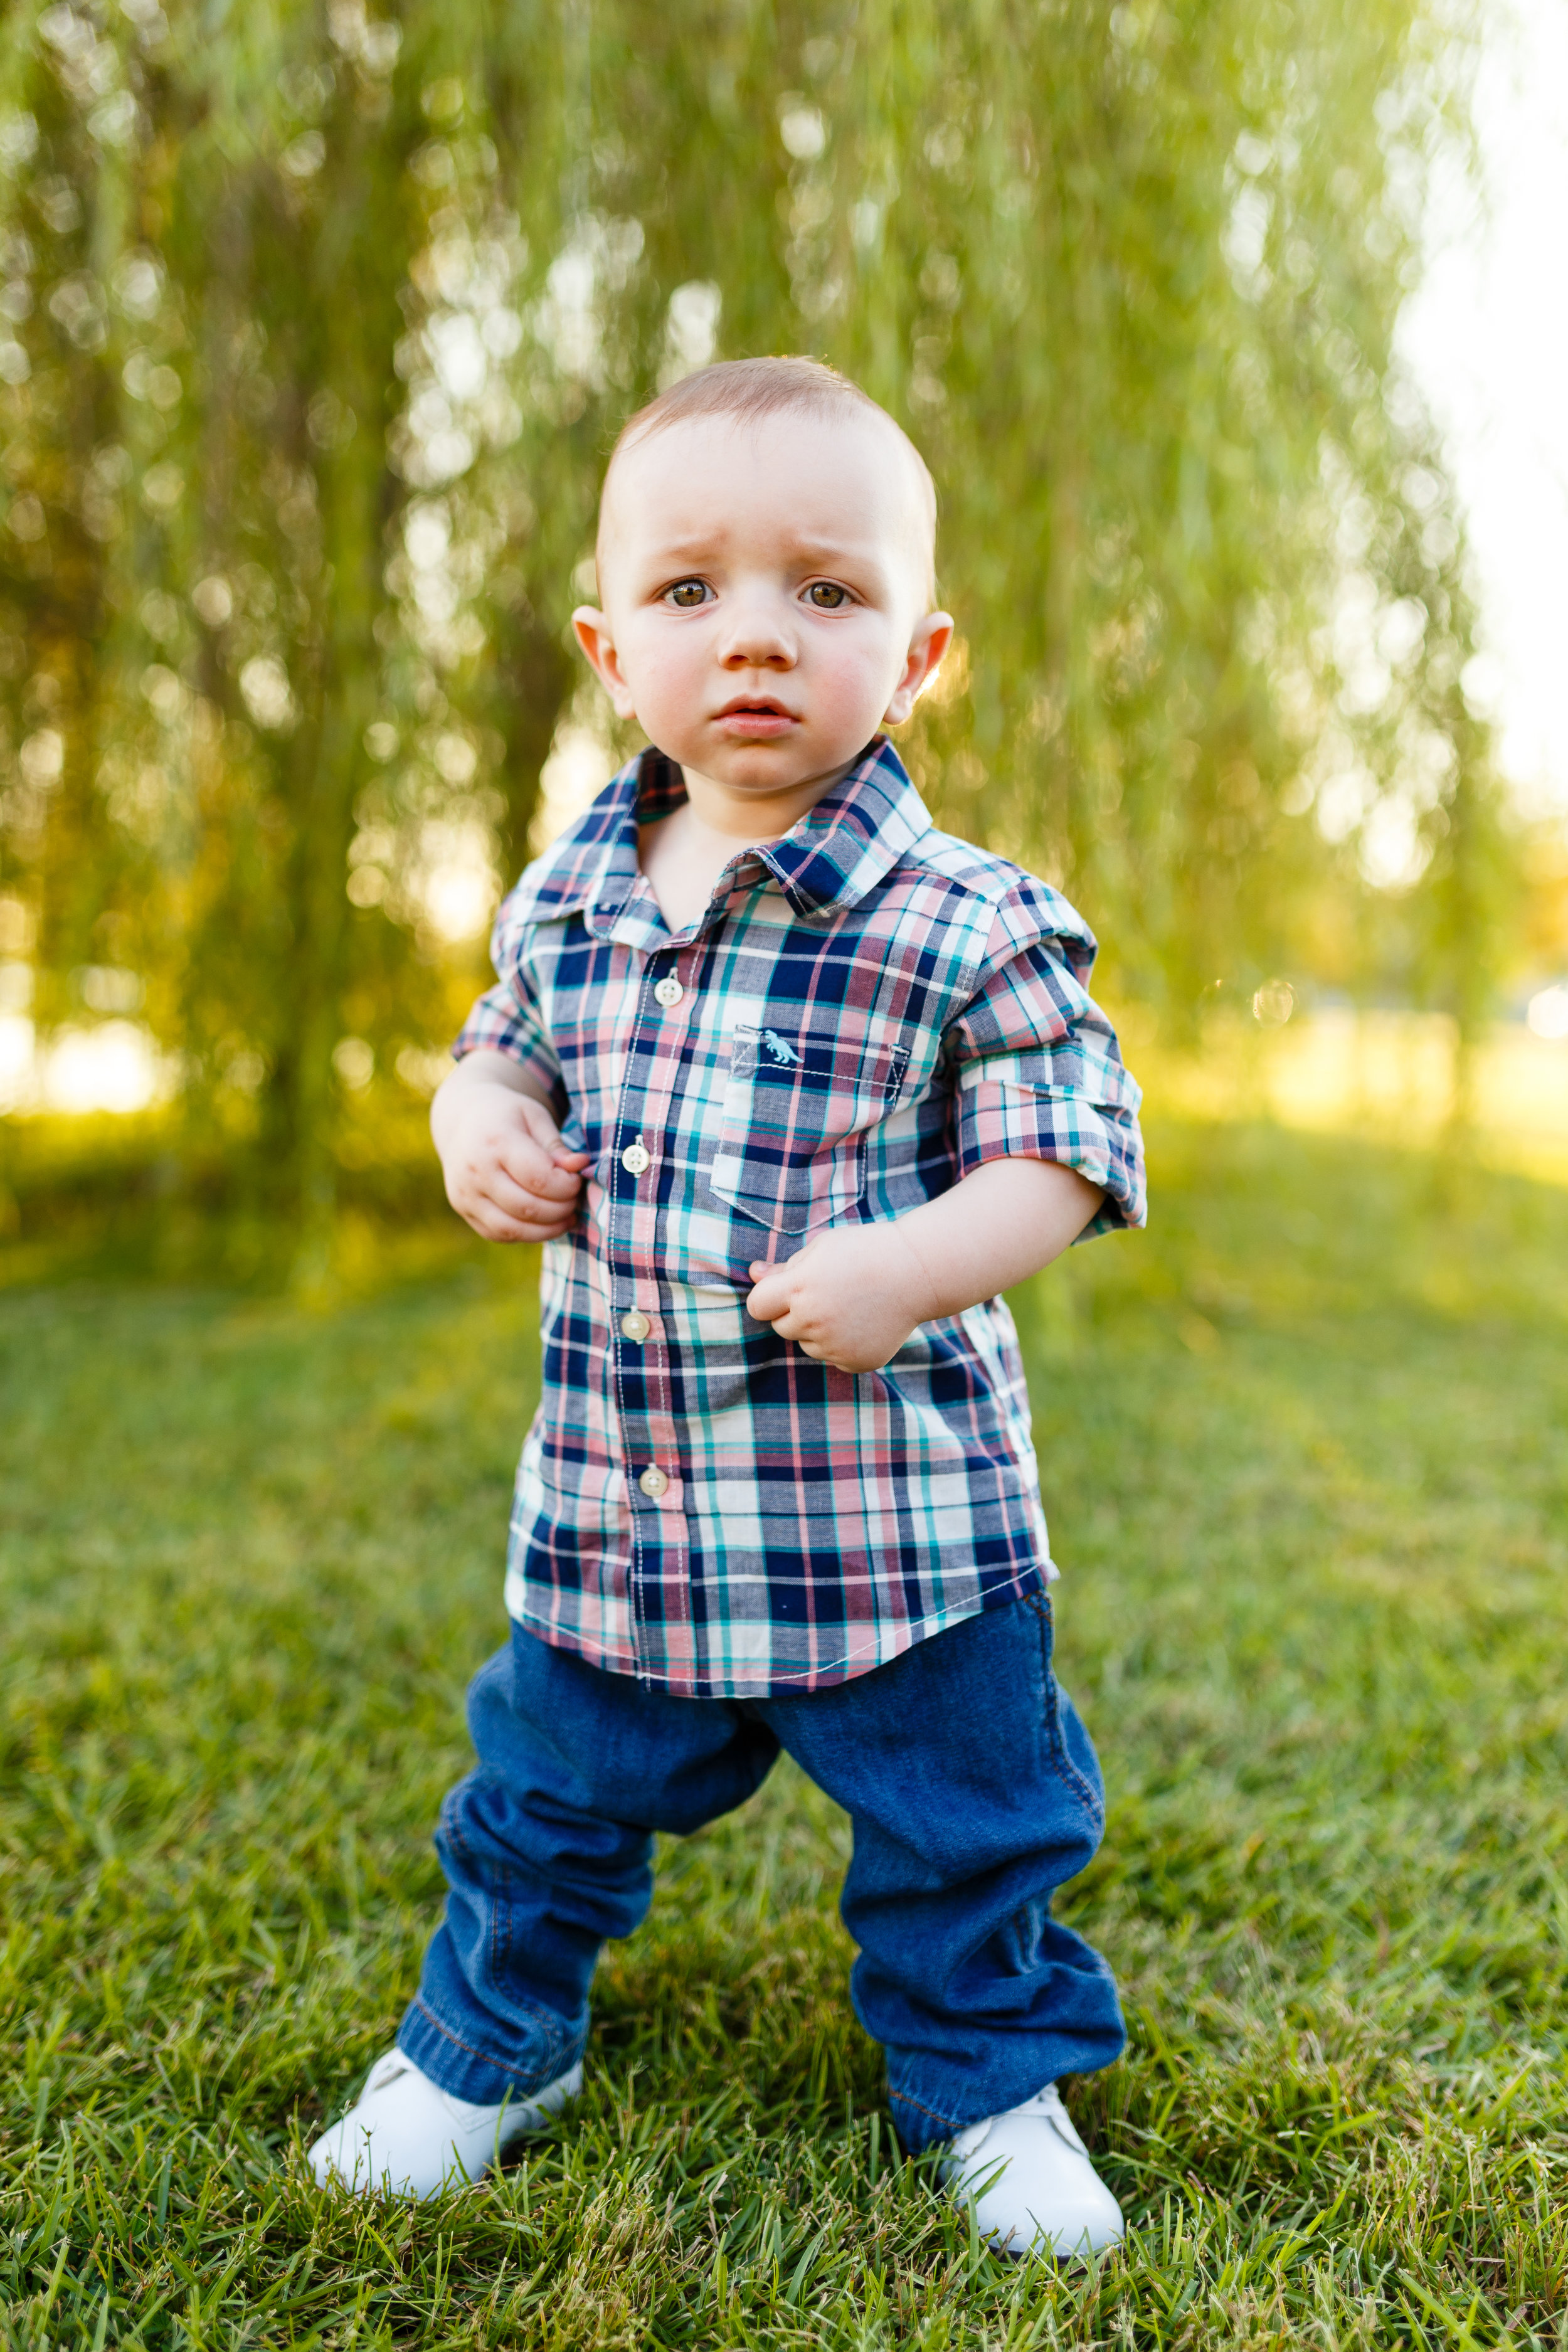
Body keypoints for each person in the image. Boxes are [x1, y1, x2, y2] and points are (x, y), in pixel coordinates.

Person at [309, 356, 1146, 2257]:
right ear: (612, 650)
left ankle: (983, 2079)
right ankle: (487, 2044)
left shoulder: (965, 918)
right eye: (692, 593)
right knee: (537, 1807)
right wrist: (477, 1118)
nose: (754, 636)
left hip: (892, 1530)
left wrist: (911, 1262)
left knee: (969, 1829)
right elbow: (496, 1053)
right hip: (627, 1507)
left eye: (822, 593)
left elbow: (1068, 1149)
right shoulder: (566, 899)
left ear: (918, 657)